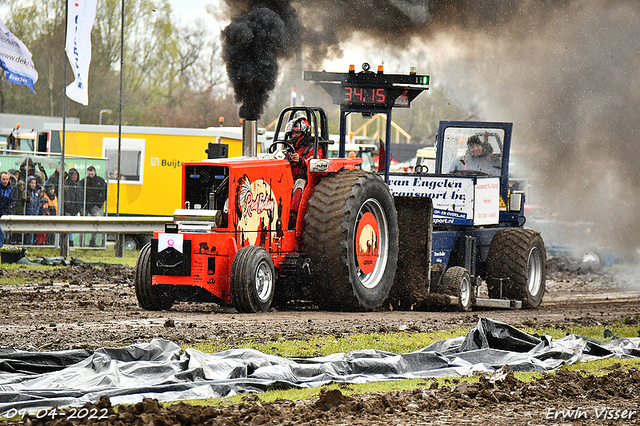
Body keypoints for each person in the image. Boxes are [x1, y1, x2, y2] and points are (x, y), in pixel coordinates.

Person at [284, 117, 324, 229]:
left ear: (304, 133)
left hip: (306, 180)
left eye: (297, 133)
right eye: (293, 133)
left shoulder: (314, 148)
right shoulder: (288, 148)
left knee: (299, 185)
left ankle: (293, 219)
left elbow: (316, 163)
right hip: (288, 178)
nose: (294, 135)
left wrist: (301, 160)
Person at [79, 166, 107, 247]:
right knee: (82, 224)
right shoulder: (84, 181)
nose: (90, 175)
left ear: (95, 172)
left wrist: (99, 204)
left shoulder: (100, 181)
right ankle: (82, 243)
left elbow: (105, 192)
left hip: (94, 206)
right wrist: (81, 204)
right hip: (85, 206)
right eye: (89, 174)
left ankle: (92, 241)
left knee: (97, 222)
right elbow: (79, 192)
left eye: (92, 174)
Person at [64, 168, 83, 246]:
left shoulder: (79, 185)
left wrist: (78, 208)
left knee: (74, 227)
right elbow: (66, 198)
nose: (75, 176)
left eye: (76, 175)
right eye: (73, 175)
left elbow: (80, 197)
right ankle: (69, 242)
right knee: (68, 227)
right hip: (68, 210)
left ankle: (77, 243)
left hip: (76, 210)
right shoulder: (66, 184)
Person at [25, 176, 41, 245]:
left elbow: (38, 204)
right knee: (26, 230)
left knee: (32, 230)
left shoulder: (36, 193)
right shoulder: (27, 192)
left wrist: (36, 212)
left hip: (34, 214)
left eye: (34, 183)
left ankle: (30, 244)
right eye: (32, 183)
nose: (33, 185)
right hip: (27, 214)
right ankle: (26, 243)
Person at [0, 171, 14, 247]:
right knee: (1, 235)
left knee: (1, 235)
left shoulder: (9, 189)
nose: (5, 181)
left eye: (7, 179)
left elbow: (8, 202)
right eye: (3, 179)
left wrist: (3, 211)